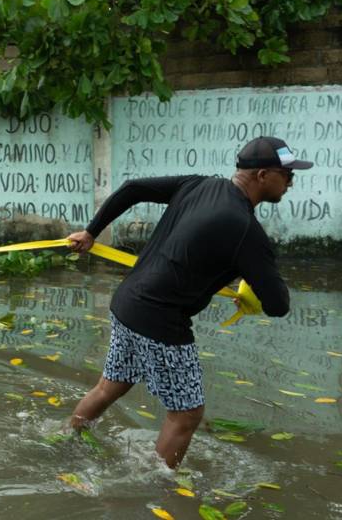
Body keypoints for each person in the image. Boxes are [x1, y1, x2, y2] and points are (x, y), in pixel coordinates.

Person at [66, 136, 311, 468]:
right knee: (186, 414)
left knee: (112, 385)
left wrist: (92, 231)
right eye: (287, 174)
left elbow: (132, 187)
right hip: (160, 320)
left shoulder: (199, 186)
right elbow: (278, 305)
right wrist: (252, 282)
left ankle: (67, 439)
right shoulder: (246, 231)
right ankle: (155, 490)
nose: (292, 181)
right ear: (263, 176)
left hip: (126, 304)